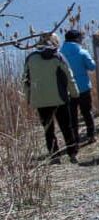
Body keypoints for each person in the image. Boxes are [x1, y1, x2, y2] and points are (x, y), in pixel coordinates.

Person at [23, 34, 79, 164]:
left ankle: (55, 156)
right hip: (60, 98)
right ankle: (72, 153)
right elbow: (69, 76)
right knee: (66, 127)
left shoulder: (31, 58)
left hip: (40, 100)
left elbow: (25, 80)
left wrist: (29, 98)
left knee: (48, 129)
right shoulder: (58, 57)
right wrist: (75, 93)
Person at [60, 29, 98, 145]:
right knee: (87, 112)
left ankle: (74, 139)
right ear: (77, 39)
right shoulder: (82, 52)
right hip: (83, 87)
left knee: (72, 116)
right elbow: (92, 67)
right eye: (81, 38)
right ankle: (91, 135)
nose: (82, 40)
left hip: (67, 89)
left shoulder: (59, 54)